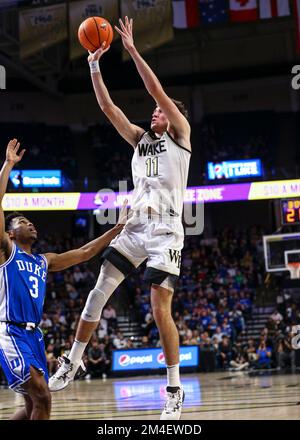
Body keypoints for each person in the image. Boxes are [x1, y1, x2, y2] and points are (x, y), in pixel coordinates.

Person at [49, 16, 191, 420]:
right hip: (135, 226)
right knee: (98, 290)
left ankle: (174, 389)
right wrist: (94, 64)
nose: (154, 114)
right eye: (153, 113)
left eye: (159, 113)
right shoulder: (138, 139)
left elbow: (157, 90)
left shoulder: (179, 135)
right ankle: (74, 361)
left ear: (171, 117)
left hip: (166, 231)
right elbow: (108, 106)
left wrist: (130, 49)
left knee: (159, 307)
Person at [0, 139, 126, 420]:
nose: (30, 224)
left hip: (33, 336)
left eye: (30, 222)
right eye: (22, 222)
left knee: (33, 405)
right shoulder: (6, 252)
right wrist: (8, 165)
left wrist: (117, 229)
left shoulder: (44, 260)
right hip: (10, 331)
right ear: (9, 234)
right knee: (42, 396)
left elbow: (84, 253)